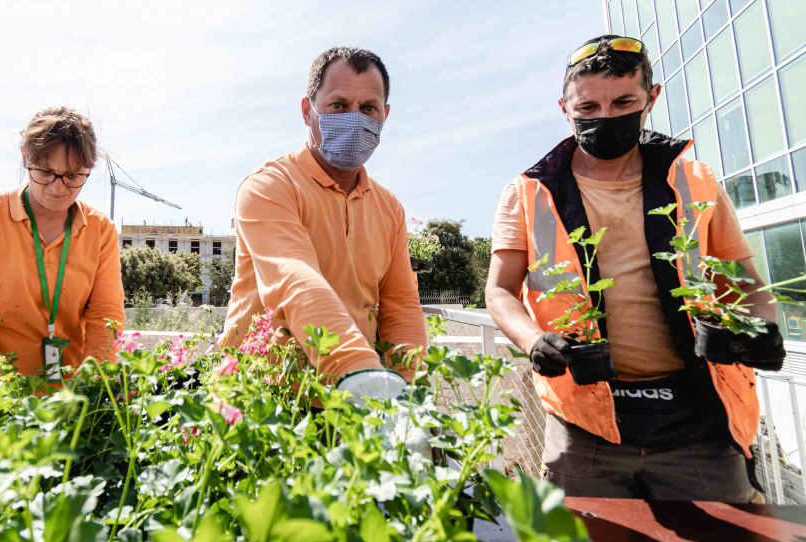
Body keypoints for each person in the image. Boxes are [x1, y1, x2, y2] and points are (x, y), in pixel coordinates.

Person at [485, 35, 785, 502]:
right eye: (588, 107)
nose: (606, 117)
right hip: (583, 418)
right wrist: (533, 340)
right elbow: (500, 291)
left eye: (623, 101)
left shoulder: (695, 180)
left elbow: (744, 280)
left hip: (699, 417)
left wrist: (762, 327)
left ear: (652, 97)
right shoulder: (528, 192)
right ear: (565, 108)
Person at [220, 47, 428, 403]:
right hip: (262, 404)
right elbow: (296, 281)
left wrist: (407, 391)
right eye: (338, 105)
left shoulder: (389, 208)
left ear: (384, 116)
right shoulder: (270, 188)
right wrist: (362, 374)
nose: (355, 118)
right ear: (307, 111)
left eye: (368, 109)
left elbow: (401, 306)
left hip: (355, 405)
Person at [0, 106, 125, 378]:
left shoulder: (100, 229)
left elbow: (105, 319)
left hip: (70, 401)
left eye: (73, 176)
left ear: (91, 164)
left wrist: (91, 387)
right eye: (45, 172)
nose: (58, 188)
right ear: (25, 158)